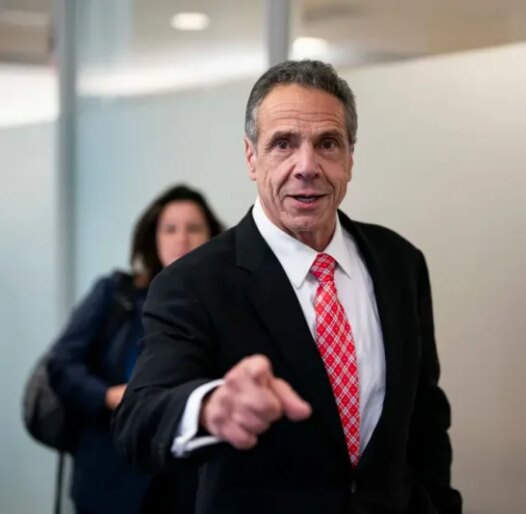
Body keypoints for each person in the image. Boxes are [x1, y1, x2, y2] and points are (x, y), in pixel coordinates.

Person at [113, 60, 462, 514]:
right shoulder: (193, 283)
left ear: (350, 158)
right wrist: (209, 407)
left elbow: (425, 419)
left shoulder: (400, 263)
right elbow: (138, 422)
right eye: (283, 144)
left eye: (328, 144)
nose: (307, 166)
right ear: (251, 158)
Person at [48, 184, 224, 514]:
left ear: (212, 236)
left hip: (186, 479)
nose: (182, 238)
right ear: (153, 237)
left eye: (194, 228)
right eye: (170, 229)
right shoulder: (115, 293)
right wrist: (107, 396)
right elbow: (61, 364)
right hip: (109, 473)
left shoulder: (223, 303)